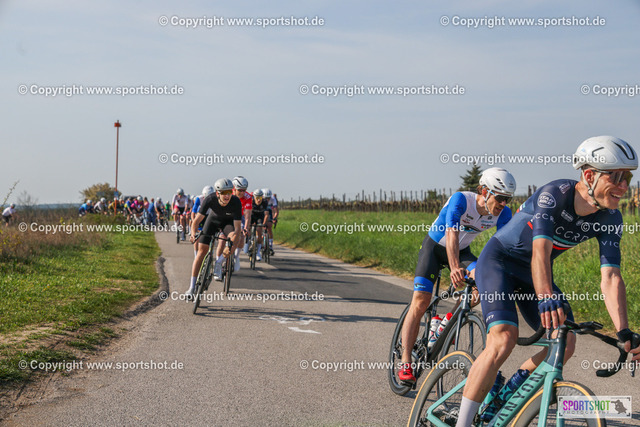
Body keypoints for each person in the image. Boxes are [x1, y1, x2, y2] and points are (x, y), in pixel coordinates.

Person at [455, 136, 640, 427]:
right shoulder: (554, 195)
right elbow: (540, 251)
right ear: (588, 176)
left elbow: (611, 276)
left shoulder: (611, 218)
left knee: (566, 343)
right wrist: (545, 297)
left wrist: (624, 330)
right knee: (503, 339)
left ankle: (508, 392)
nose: (623, 186)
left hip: (534, 274)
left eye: (627, 177)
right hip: (500, 261)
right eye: (615, 177)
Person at [398, 168, 516, 386]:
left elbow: (504, 246)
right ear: (484, 191)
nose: (503, 203)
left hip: (463, 252)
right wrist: (454, 268)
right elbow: (451, 233)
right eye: (500, 198)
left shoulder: (504, 214)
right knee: (421, 301)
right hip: (435, 248)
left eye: (507, 199)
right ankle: (406, 362)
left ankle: (447, 322)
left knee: (480, 286)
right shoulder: (461, 200)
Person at [185, 179, 242, 297]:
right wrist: (193, 234)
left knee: (236, 238)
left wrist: (231, 243)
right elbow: (196, 221)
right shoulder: (210, 199)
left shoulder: (236, 202)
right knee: (201, 251)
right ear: (217, 193)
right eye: (224, 193)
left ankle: (219, 262)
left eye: (229, 192)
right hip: (213, 221)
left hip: (228, 224)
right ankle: (191, 287)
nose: (227, 196)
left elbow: (237, 228)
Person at [232, 176, 252, 270]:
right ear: (234, 188)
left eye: (244, 190)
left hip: (240, 216)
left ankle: (236, 256)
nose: (242, 193)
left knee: (242, 235)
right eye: (240, 190)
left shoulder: (248, 197)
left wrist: (246, 228)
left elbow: (248, 215)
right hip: (229, 214)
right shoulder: (228, 194)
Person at [191, 186, 215, 258]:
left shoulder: (215, 199)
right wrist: (194, 223)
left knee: (212, 236)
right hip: (201, 216)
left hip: (210, 216)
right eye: (205, 198)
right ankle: (196, 255)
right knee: (197, 237)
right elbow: (193, 212)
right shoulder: (199, 199)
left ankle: (211, 252)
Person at [249, 189, 270, 261]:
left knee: (259, 230)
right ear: (254, 197)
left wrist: (264, 224)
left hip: (260, 216)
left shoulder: (264, 202)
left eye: (260, 198)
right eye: (257, 198)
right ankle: (249, 241)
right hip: (251, 215)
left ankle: (258, 252)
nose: (258, 200)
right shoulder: (251, 201)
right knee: (249, 228)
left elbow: (266, 214)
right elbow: (247, 213)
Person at [263, 188, 277, 255]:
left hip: (269, 212)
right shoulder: (260, 198)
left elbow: (276, 211)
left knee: (269, 227)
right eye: (266, 198)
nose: (267, 199)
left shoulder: (273, 199)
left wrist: (274, 218)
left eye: (268, 198)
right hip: (261, 211)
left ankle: (270, 246)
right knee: (260, 227)